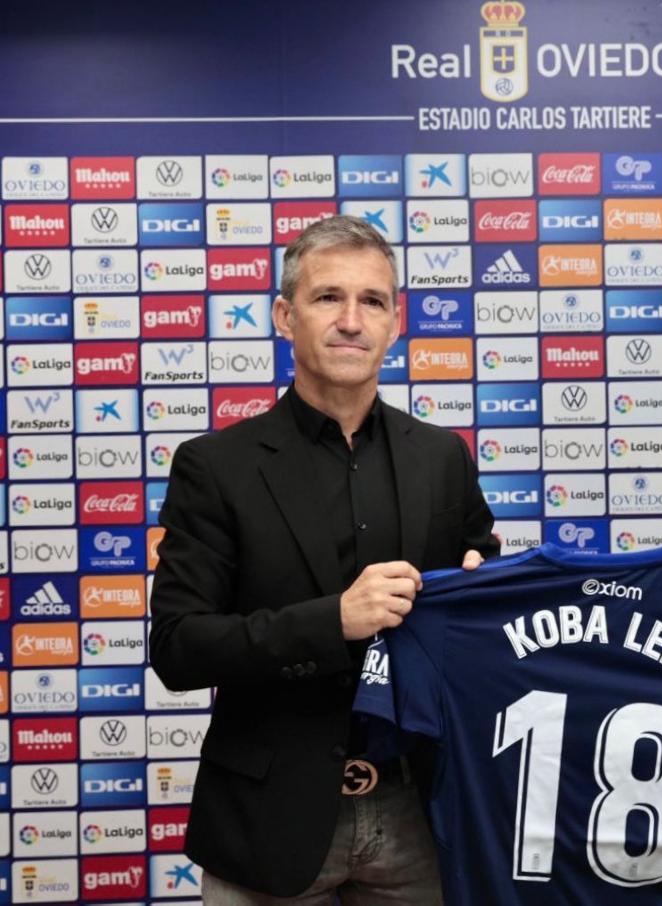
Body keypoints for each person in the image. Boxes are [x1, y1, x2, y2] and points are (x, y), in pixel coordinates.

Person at [150, 214, 499, 904]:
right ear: (284, 316)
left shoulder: (443, 456)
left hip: (420, 814)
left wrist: (483, 595)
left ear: (395, 323)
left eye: (372, 301)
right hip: (270, 822)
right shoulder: (216, 467)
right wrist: (331, 620)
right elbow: (179, 648)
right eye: (326, 297)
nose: (351, 320)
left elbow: (480, 593)